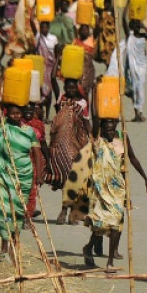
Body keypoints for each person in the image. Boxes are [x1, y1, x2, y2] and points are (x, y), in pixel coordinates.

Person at [82, 118, 147, 272]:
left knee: (116, 223)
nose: (110, 132)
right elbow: (94, 117)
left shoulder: (122, 139)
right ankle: (88, 247)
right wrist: (96, 97)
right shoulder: (98, 141)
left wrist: (145, 179)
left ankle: (110, 261)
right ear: (102, 129)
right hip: (100, 188)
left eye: (112, 129)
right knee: (100, 223)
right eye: (107, 129)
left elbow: (132, 158)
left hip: (118, 187)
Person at [0, 103, 40, 263]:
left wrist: (39, 174)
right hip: (5, 174)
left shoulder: (28, 131)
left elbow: (36, 152)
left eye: (18, 113)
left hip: (24, 175)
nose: (15, 116)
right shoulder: (3, 127)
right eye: (12, 113)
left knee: (18, 211)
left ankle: (13, 247)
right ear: (8, 114)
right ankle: (3, 248)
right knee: (4, 209)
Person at [48, 78, 91, 224]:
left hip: (78, 142)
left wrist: (92, 138)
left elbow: (86, 121)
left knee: (76, 177)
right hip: (62, 142)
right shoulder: (61, 99)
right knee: (66, 176)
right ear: (65, 87)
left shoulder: (83, 103)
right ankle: (65, 209)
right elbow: (53, 81)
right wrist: (57, 62)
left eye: (74, 87)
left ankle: (71, 210)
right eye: (68, 87)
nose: (71, 90)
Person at [116, 12, 147, 122]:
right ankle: (137, 113)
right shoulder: (130, 36)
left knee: (139, 88)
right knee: (136, 87)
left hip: (142, 65)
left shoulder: (143, 35)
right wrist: (127, 6)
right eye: (136, 25)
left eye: (139, 26)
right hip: (132, 66)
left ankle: (139, 111)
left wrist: (144, 27)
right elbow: (123, 18)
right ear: (131, 27)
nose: (138, 27)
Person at [21, 103, 48, 219]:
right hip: (19, 160)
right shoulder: (17, 125)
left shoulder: (38, 125)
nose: (28, 113)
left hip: (33, 161)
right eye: (25, 111)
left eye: (30, 111)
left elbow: (43, 145)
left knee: (32, 191)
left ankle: (28, 217)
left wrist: (48, 163)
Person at [32, 19, 60, 120]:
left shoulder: (53, 38)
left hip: (50, 66)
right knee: (39, 88)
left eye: (45, 27)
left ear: (48, 28)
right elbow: (31, 22)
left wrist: (56, 67)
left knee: (49, 90)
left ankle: (48, 115)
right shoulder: (38, 36)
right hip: (40, 66)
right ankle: (39, 113)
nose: (43, 29)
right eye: (42, 27)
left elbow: (57, 54)